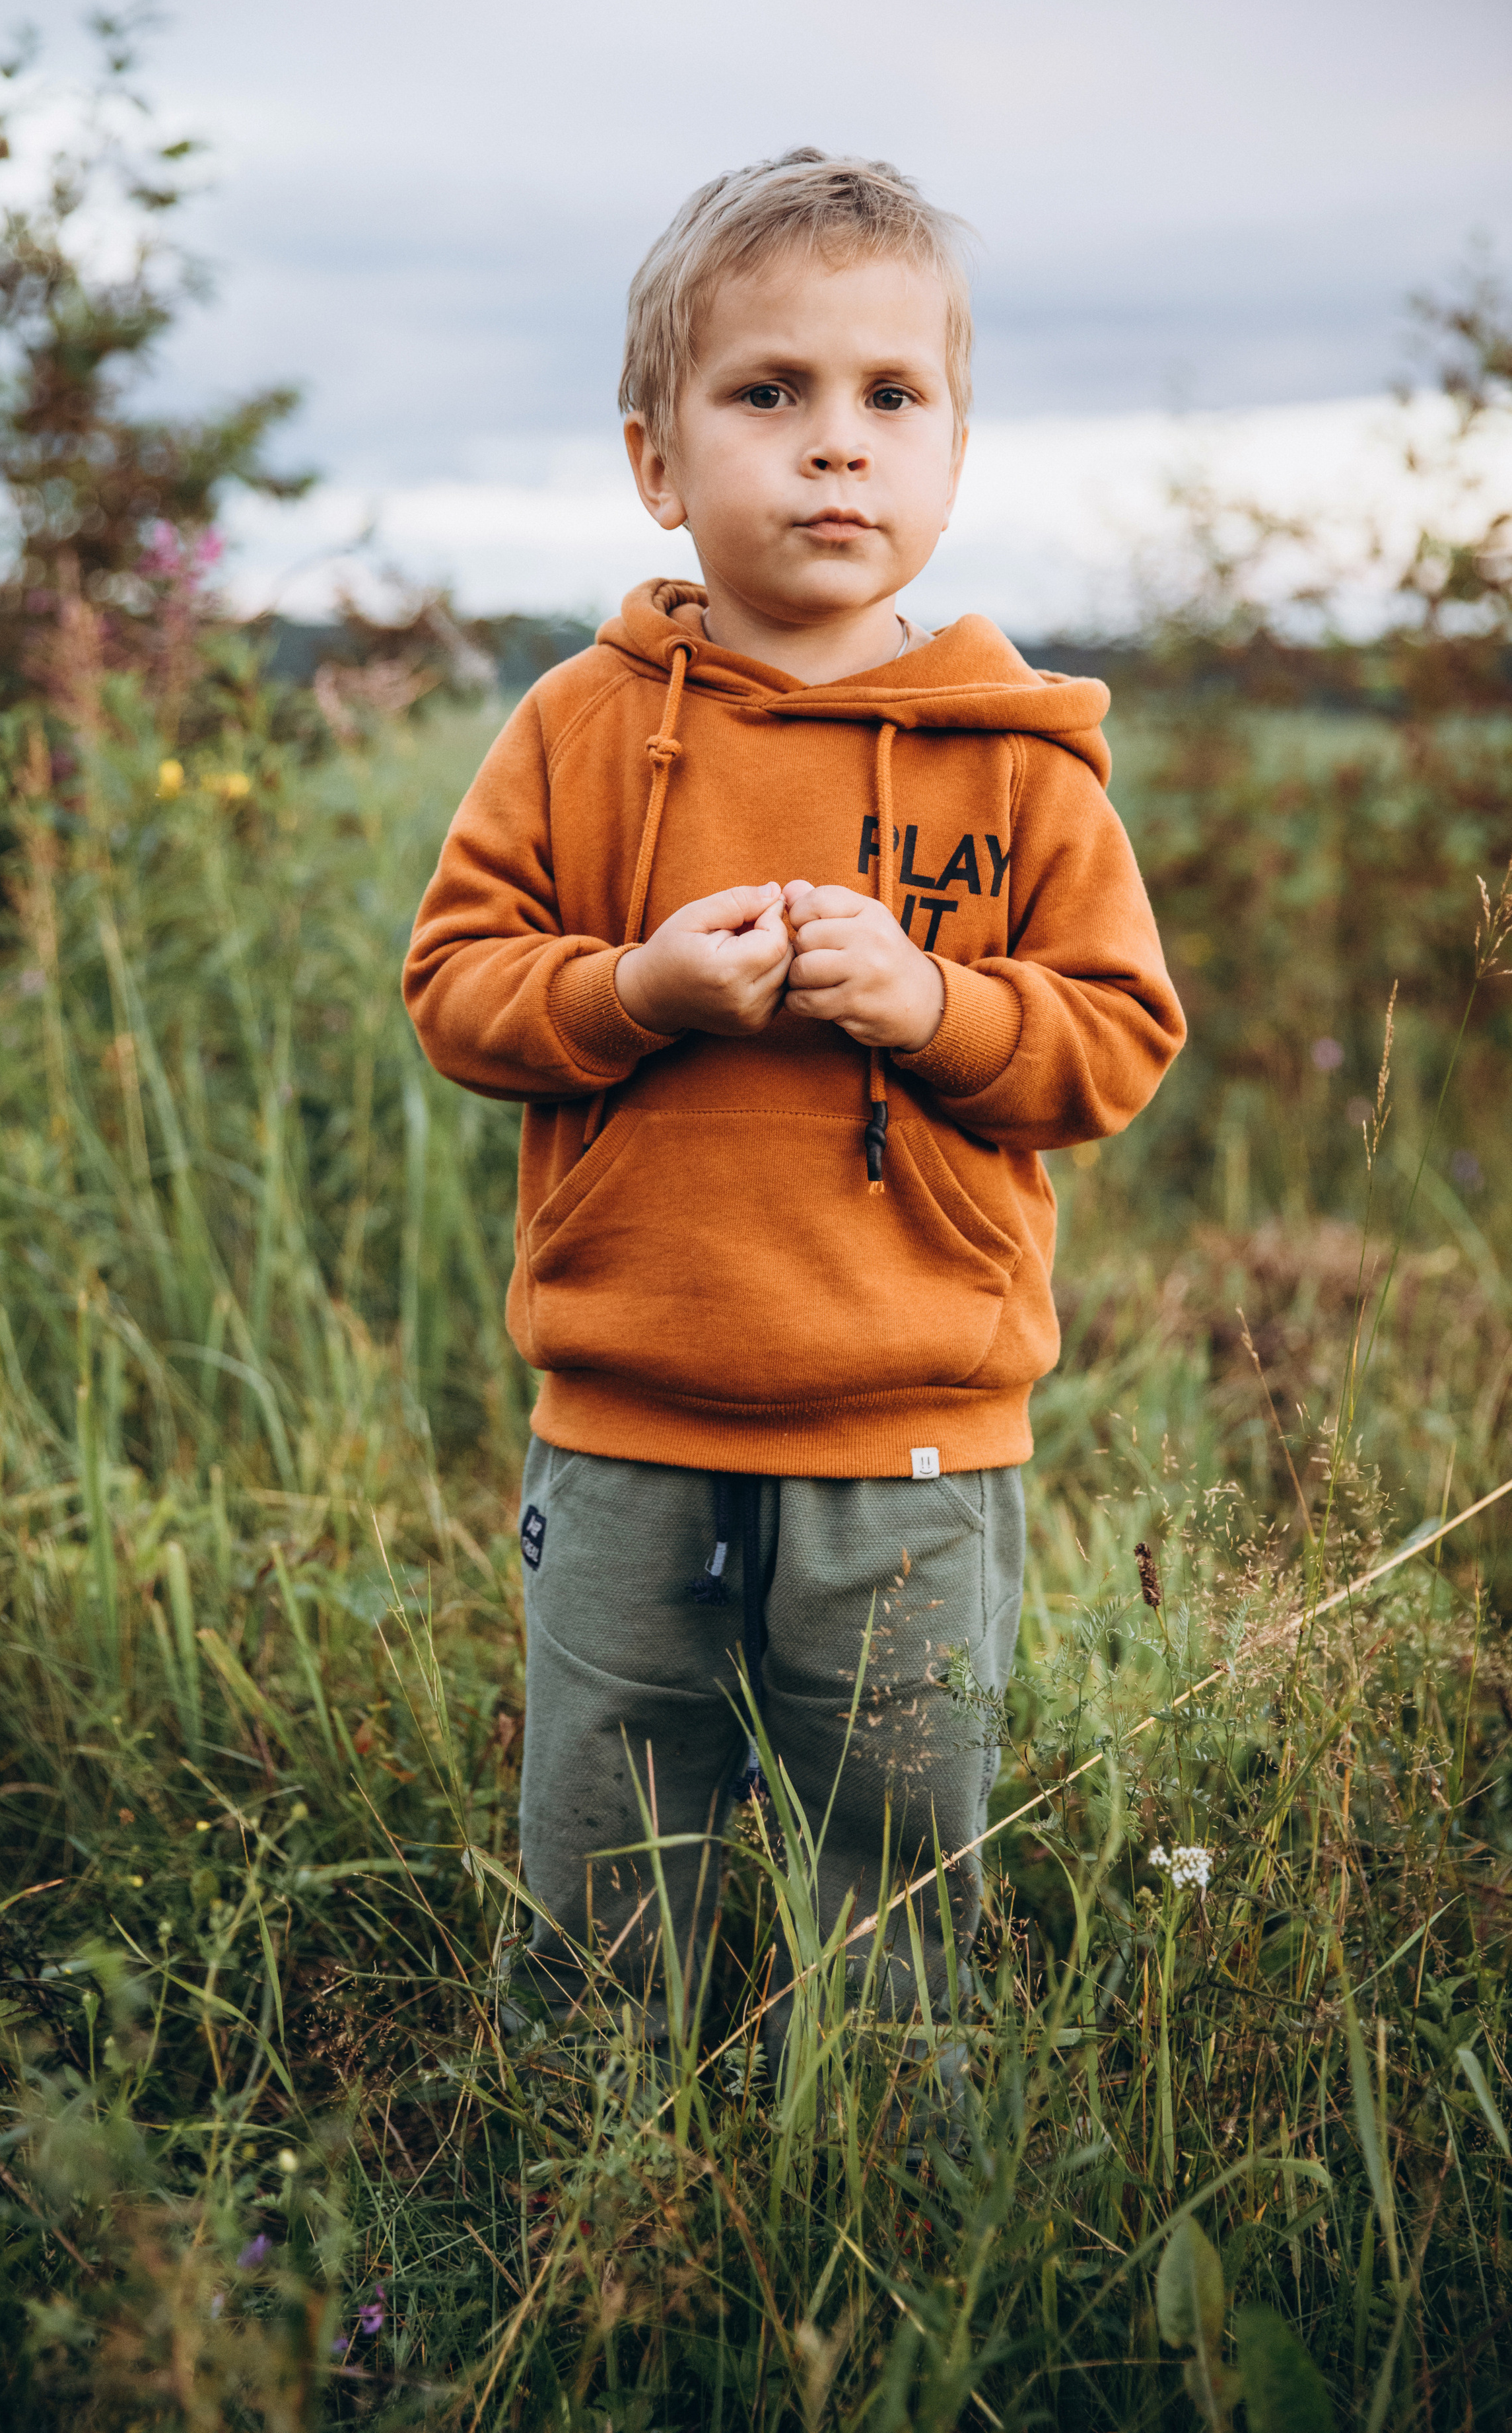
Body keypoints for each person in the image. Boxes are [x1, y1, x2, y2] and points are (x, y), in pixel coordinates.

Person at [403, 149, 1185, 2084]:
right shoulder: (583, 727)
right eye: (770, 395)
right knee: (608, 1832)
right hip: (627, 1417)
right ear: (659, 459)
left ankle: (906, 2160)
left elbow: (1112, 1043)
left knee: (900, 1840)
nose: (836, 449)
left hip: (911, 1434)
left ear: (953, 449)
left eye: (887, 399)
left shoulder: (1022, 764)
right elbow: (458, 989)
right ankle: (590, 2166)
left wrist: (935, 1005)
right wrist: (635, 991)